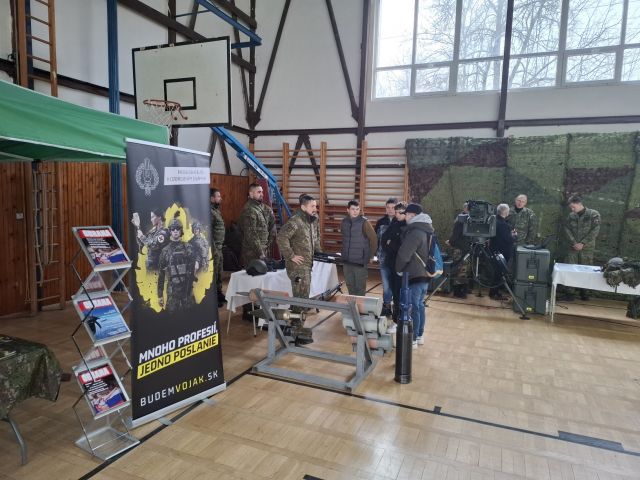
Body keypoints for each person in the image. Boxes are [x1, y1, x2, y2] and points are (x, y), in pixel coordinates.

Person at [276, 194, 321, 344]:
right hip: (298, 267)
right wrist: (291, 256)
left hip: (307, 265)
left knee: (302, 299)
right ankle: (295, 332)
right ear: (303, 207)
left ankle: (296, 329)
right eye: (312, 206)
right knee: (300, 300)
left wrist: (319, 253)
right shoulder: (296, 221)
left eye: (315, 206)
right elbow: (281, 237)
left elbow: (315, 239)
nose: (315, 208)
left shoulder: (311, 220)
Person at [394, 203, 434, 348]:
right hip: (424, 275)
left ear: (412, 215)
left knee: (413, 308)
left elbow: (404, 254)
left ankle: (413, 338)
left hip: (415, 274)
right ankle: (420, 335)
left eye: (406, 215)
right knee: (420, 306)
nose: (405, 217)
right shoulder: (427, 229)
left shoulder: (415, 232)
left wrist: (398, 269)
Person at [563, 195, 601, 301]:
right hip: (573, 248)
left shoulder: (593, 214)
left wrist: (583, 243)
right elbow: (567, 229)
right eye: (570, 207)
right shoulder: (571, 216)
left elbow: (595, 231)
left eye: (573, 207)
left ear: (579, 204)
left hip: (587, 248)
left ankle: (585, 293)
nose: (572, 209)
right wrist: (574, 243)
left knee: (586, 270)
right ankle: (569, 293)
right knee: (570, 269)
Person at [157, 216, 198, 312]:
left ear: (181, 230)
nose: (175, 231)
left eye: (177, 228)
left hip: (187, 289)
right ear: (170, 231)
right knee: (171, 317)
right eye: (173, 229)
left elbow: (194, 266)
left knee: (191, 316)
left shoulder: (188, 248)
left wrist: (197, 263)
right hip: (172, 291)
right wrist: (160, 295)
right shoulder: (165, 251)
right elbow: (161, 275)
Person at [340, 200, 377, 296]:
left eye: (357, 209)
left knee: (360, 287)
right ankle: (352, 305)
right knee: (350, 285)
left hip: (360, 261)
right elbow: (344, 239)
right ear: (348, 210)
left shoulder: (365, 222)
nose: (355, 211)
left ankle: (360, 305)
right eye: (353, 209)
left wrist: (371, 255)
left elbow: (373, 239)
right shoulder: (344, 222)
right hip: (347, 261)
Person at [380, 201, 407, 330]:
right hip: (390, 263)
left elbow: (402, 247)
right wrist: (390, 245)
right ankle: (396, 320)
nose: (396, 215)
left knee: (402, 294)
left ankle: (402, 320)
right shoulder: (394, 223)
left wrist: (391, 244)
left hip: (402, 266)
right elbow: (384, 239)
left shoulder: (407, 226)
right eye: (396, 212)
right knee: (394, 293)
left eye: (399, 212)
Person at [238, 183, 276, 267]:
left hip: (265, 249)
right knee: (255, 274)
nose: (262, 194)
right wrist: (260, 252)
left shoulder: (266, 208)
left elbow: (272, 227)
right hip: (253, 252)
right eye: (259, 192)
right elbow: (251, 234)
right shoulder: (249, 210)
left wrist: (267, 245)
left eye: (262, 192)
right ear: (251, 194)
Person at [375, 197, 397, 317]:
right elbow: (376, 240)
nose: (390, 210)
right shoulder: (381, 222)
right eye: (388, 207)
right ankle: (387, 306)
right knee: (386, 285)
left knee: (396, 284)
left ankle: (396, 306)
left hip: (396, 260)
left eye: (393, 207)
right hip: (383, 259)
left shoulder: (400, 221)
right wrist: (375, 254)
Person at [489, 203, 514, 300]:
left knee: (497, 272)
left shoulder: (494, 220)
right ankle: (494, 293)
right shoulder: (503, 225)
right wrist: (514, 236)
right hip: (502, 252)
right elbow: (508, 239)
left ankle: (494, 292)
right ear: (506, 213)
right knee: (499, 273)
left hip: (495, 250)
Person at [210, 188, 226, 306]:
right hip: (214, 249)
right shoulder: (209, 212)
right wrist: (214, 249)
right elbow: (209, 232)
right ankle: (213, 298)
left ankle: (219, 294)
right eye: (218, 196)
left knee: (220, 272)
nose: (220, 198)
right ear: (212, 198)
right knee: (214, 273)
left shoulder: (216, 211)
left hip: (219, 248)